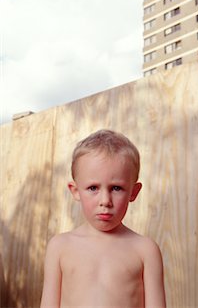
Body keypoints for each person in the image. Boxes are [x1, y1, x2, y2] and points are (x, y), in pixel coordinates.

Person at [40, 129, 166, 308]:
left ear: (134, 192)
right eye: (93, 188)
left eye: (116, 188)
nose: (105, 201)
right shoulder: (60, 247)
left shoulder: (145, 250)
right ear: (75, 191)